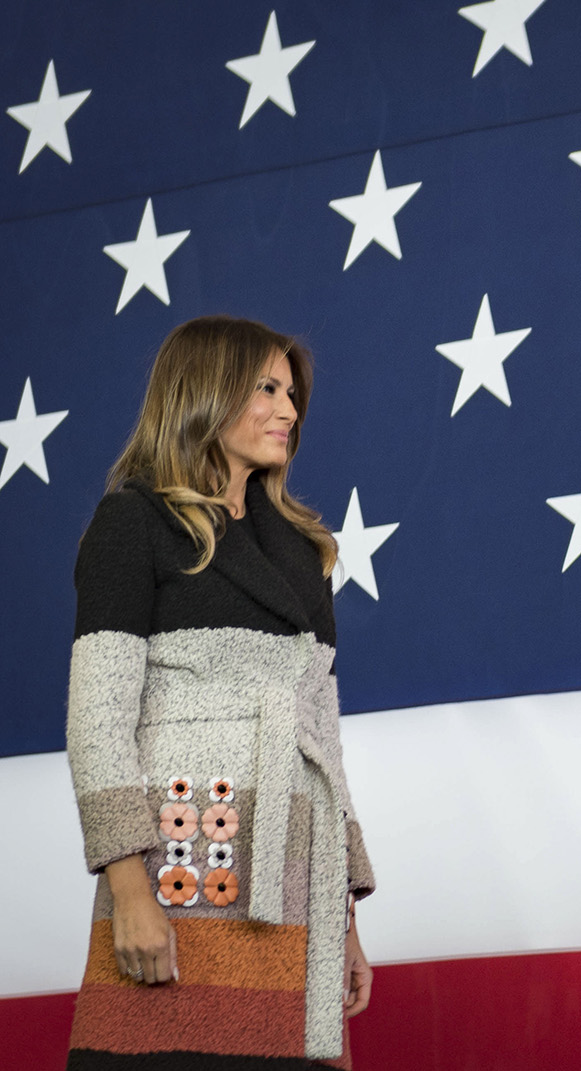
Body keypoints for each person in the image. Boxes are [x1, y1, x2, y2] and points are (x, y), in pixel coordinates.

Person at [64, 315, 376, 1069]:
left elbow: (322, 737)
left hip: (295, 881)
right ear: (205, 392)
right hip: (182, 869)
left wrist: (343, 919)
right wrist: (131, 891)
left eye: (292, 393)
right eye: (267, 388)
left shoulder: (306, 551)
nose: (289, 410)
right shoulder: (133, 522)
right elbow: (98, 718)